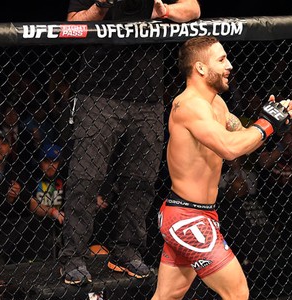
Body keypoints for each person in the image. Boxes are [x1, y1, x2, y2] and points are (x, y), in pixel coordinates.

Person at [124, 36, 292, 300]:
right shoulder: (188, 107)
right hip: (189, 219)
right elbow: (233, 149)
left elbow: (239, 132)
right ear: (201, 68)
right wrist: (267, 125)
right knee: (236, 290)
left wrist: (271, 118)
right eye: (221, 59)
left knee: (168, 295)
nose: (229, 65)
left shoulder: (214, 104)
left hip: (198, 215)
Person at [58, 0, 201, 285]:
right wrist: (101, 5)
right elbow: (73, 25)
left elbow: (194, 8)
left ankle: (126, 251)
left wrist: (164, 12)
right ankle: (73, 256)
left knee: (142, 180)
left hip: (147, 97)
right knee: (86, 179)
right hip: (99, 94)